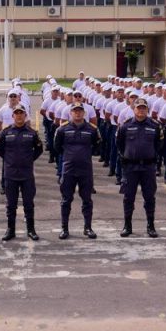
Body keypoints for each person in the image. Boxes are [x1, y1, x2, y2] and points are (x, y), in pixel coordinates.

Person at [116, 98, 164, 238]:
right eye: (138, 108)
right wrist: (126, 155)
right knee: (128, 197)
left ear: (147, 109)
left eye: (143, 108)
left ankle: (150, 226)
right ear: (134, 109)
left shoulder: (155, 125)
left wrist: (152, 156)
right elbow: (119, 143)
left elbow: (159, 144)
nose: (141, 110)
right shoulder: (125, 125)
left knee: (149, 197)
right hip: (131, 167)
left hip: (148, 167)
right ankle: (127, 226)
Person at [54, 102, 101, 239]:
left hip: (85, 169)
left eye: (80, 111)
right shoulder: (63, 129)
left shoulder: (92, 129)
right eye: (75, 111)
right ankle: (64, 229)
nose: (78, 113)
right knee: (66, 200)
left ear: (84, 113)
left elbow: (97, 146)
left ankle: (88, 228)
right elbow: (57, 147)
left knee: (87, 200)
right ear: (71, 113)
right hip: (68, 169)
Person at [0, 105, 43, 241]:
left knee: (29, 203)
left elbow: (39, 150)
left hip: (27, 175)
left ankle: (31, 229)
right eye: (16, 113)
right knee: (11, 205)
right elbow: (0, 150)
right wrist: (10, 161)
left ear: (25, 115)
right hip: (11, 174)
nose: (19, 115)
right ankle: (10, 230)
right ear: (13, 116)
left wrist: (28, 160)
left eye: (21, 113)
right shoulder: (5, 132)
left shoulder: (32, 133)